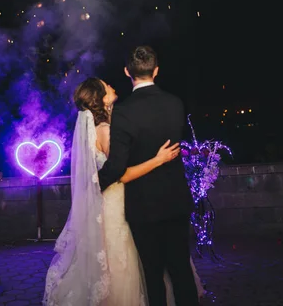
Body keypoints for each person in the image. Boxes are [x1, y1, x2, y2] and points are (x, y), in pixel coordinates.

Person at [42, 77, 180, 305]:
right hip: (117, 205)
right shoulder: (105, 131)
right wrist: (158, 160)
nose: (112, 86)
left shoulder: (100, 128)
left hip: (107, 202)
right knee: (121, 262)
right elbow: (122, 174)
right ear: (100, 97)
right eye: (106, 85)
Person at [98, 46, 200, 306]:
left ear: (126, 72)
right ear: (156, 70)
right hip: (176, 199)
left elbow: (117, 166)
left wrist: (95, 181)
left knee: (153, 275)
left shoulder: (123, 111)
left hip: (144, 206)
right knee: (181, 271)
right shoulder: (175, 103)